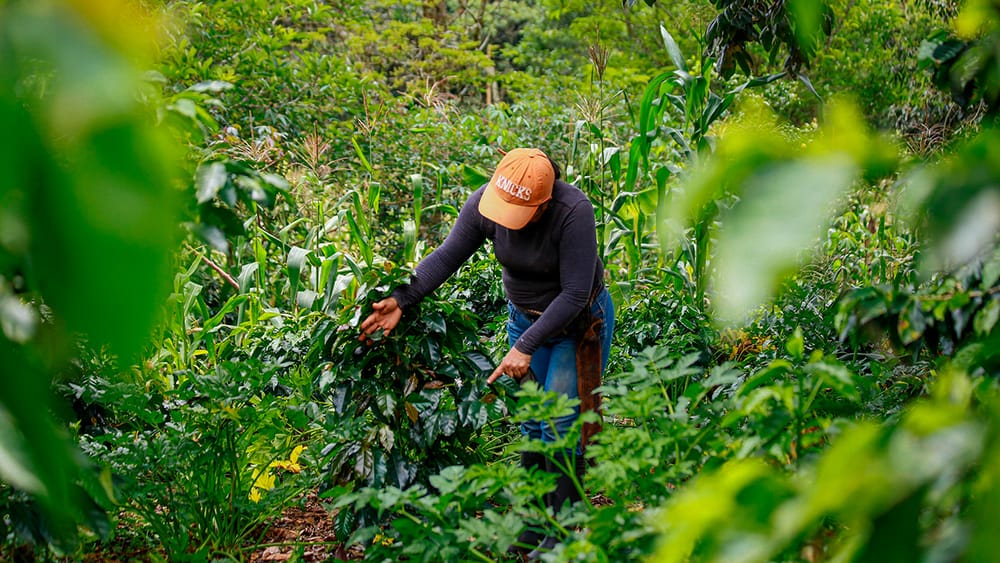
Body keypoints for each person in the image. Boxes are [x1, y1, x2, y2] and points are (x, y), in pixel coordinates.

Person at [359, 147, 615, 556]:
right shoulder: (484, 201)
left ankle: (564, 536)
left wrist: (524, 347)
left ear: (544, 202)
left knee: (560, 425)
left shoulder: (572, 211)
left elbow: (575, 292)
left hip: (575, 325)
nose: (507, 214)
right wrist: (400, 299)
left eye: (521, 209)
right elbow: (447, 256)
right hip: (524, 318)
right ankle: (534, 525)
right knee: (533, 422)